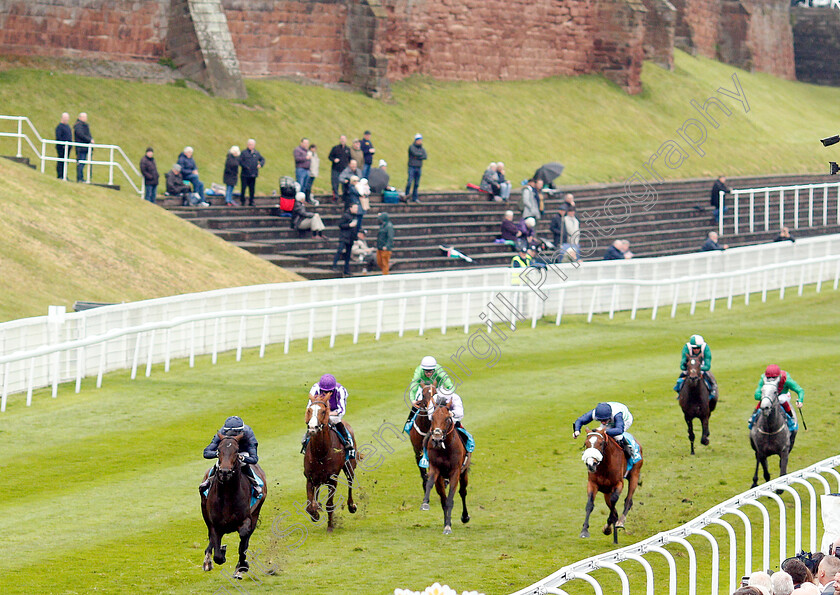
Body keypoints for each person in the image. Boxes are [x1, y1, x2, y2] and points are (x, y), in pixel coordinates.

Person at [199, 415, 262, 497]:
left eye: (234, 434)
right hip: (226, 452)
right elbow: (206, 452)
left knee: (243, 464)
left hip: (242, 451)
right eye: (229, 433)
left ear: (240, 431)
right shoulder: (221, 433)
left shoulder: (248, 433)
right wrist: (218, 454)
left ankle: (254, 483)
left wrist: (241, 457)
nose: (232, 436)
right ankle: (208, 481)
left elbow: (254, 459)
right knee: (220, 463)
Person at [749, 364, 804, 447]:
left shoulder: (786, 379)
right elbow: (756, 395)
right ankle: (754, 417)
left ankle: (790, 419)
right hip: (770, 395)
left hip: (783, 395)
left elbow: (800, 390)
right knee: (765, 401)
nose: (771, 380)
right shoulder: (763, 379)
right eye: (768, 378)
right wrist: (767, 397)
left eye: (774, 378)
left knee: (781, 400)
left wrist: (800, 400)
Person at [305, 374, 354, 459]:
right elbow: (309, 407)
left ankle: (347, 441)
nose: (326, 393)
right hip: (319, 411)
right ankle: (306, 440)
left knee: (335, 421)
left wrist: (328, 413)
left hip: (335, 411)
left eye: (329, 391)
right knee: (313, 422)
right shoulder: (315, 388)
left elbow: (341, 410)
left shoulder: (341, 390)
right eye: (324, 391)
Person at [404, 355, 456, 433]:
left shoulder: (439, 371)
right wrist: (413, 400)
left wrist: (450, 395)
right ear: (423, 369)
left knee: (444, 403)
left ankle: (456, 423)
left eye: (430, 371)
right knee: (417, 401)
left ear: (434, 369)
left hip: (438, 388)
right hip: (423, 389)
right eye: (426, 371)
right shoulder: (418, 372)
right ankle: (409, 421)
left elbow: (448, 384)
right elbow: (413, 386)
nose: (428, 373)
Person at [573, 402, 637, 462]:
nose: (603, 422)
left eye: (604, 420)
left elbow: (619, 430)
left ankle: (629, 451)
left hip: (625, 420)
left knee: (617, 436)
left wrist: (604, 431)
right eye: (600, 420)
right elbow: (580, 420)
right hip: (610, 416)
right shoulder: (595, 413)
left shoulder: (617, 414)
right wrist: (577, 430)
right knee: (601, 435)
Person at [673, 334, 718, 399]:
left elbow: (707, 366)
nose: (696, 350)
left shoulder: (705, 348)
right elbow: (682, 365)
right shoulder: (686, 348)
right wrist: (689, 367)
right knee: (682, 375)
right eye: (694, 348)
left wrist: (698, 369)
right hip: (689, 366)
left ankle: (713, 389)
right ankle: (678, 389)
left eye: (698, 348)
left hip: (701, 365)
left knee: (708, 375)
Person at [333, 203, 359, 276]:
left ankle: (346, 269)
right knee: (340, 251)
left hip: (351, 238)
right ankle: (334, 265)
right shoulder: (345, 215)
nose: (356, 210)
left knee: (348, 254)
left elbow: (355, 228)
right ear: (350, 208)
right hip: (344, 237)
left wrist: (355, 238)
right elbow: (340, 225)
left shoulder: (355, 217)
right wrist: (349, 225)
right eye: (355, 208)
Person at [239, 138, 265, 206]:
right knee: (243, 188)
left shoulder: (256, 153)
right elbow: (240, 161)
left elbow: (262, 159)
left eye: (252, 145)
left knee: (252, 189)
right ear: (247, 145)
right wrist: (246, 167)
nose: (251, 146)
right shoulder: (244, 153)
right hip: (245, 174)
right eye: (250, 144)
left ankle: (251, 201)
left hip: (253, 174)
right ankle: (242, 201)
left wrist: (260, 164)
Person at [328, 135, 351, 201]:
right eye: (341, 139)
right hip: (336, 169)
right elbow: (330, 157)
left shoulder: (348, 149)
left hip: (344, 170)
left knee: (345, 184)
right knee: (335, 183)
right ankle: (336, 197)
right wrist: (334, 159)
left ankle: (344, 197)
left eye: (344, 139)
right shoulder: (335, 148)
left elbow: (350, 158)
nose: (342, 140)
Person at [405, 133, 427, 203]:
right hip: (412, 167)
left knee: (416, 184)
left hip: (418, 167)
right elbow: (415, 153)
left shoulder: (422, 148)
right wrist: (419, 155)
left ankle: (415, 197)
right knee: (409, 182)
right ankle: (406, 196)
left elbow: (425, 156)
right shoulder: (411, 147)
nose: (420, 141)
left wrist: (418, 156)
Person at [73, 112, 93, 183]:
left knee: (83, 162)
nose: (85, 118)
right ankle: (79, 178)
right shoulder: (78, 126)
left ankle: (82, 178)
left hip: (85, 148)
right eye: (84, 117)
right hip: (81, 148)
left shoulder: (85, 125)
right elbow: (81, 135)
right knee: (81, 163)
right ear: (80, 117)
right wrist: (89, 140)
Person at [55, 112, 72, 180]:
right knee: (61, 161)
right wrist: (63, 145)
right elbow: (58, 137)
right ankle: (60, 175)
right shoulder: (59, 127)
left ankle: (64, 175)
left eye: (67, 118)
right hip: (61, 148)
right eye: (65, 118)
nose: (66, 119)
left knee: (65, 162)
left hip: (68, 147)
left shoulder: (68, 127)